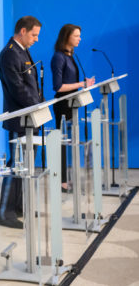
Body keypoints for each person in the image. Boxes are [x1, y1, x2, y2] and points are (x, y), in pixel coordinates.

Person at [0, 16, 42, 229]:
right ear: (22, 31)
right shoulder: (9, 54)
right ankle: (5, 211)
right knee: (16, 165)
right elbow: (17, 88)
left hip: (31, 117)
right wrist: (37, 106)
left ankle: (18, 206)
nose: (36, 39)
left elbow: (31, 85)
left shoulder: (22, 51)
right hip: (19, 119)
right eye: (34, 35)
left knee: (25, 165)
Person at [51, 24, 95, 191]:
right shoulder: (58, 57)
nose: (79, 39)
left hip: (72, 104)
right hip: (63, 105)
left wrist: (84, 85)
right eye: (76, 36)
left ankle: (69, 177)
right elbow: (58, 86)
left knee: (71, 142)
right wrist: (81, 84)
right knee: (62, 144)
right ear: (67, 37)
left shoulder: (70, 56)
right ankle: (61, 180)